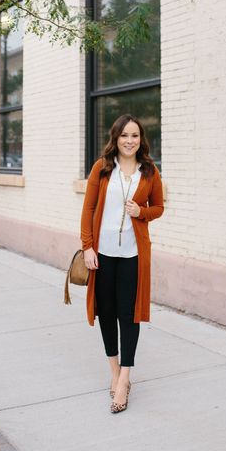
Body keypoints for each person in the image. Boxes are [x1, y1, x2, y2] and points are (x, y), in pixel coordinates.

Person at [80, 113, 164, 413]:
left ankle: (126, 377)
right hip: (102, 255)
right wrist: (87, 247)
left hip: (133, 255)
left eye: (135, 136)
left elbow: (159, 208)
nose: (130, 141)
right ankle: (114, 371)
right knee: (107, 312)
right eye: (124, 135)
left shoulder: (150, 171)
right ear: (115, 138)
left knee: (129, 315)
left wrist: (141, 211)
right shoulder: (102, 169)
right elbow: (88, 208)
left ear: (141, 140)